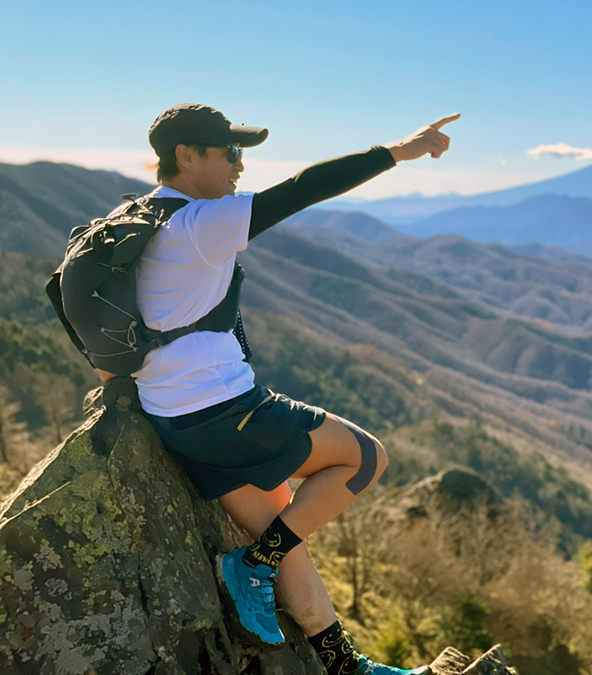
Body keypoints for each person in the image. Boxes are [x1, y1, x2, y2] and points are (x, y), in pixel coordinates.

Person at [96, 103, 460, 675]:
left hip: (174, 418)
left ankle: (344, 665)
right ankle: (254, 566)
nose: (241, 166)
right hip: (224, 411)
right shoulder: (198, 224)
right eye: (231, 153)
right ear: (187, 157)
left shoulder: (133, 219)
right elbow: (300, 190)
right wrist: (399, 151)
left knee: (284, 525)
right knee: (365, 457)